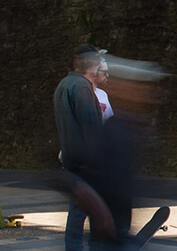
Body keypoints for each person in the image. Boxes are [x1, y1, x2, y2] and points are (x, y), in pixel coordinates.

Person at [55, 44, 106, 249]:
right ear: (90, 64)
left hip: (72, 159)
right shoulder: (82, 87)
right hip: (87, 163)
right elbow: (92, 128)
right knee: (86, 211)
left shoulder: (64, 84)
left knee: (78, 212)